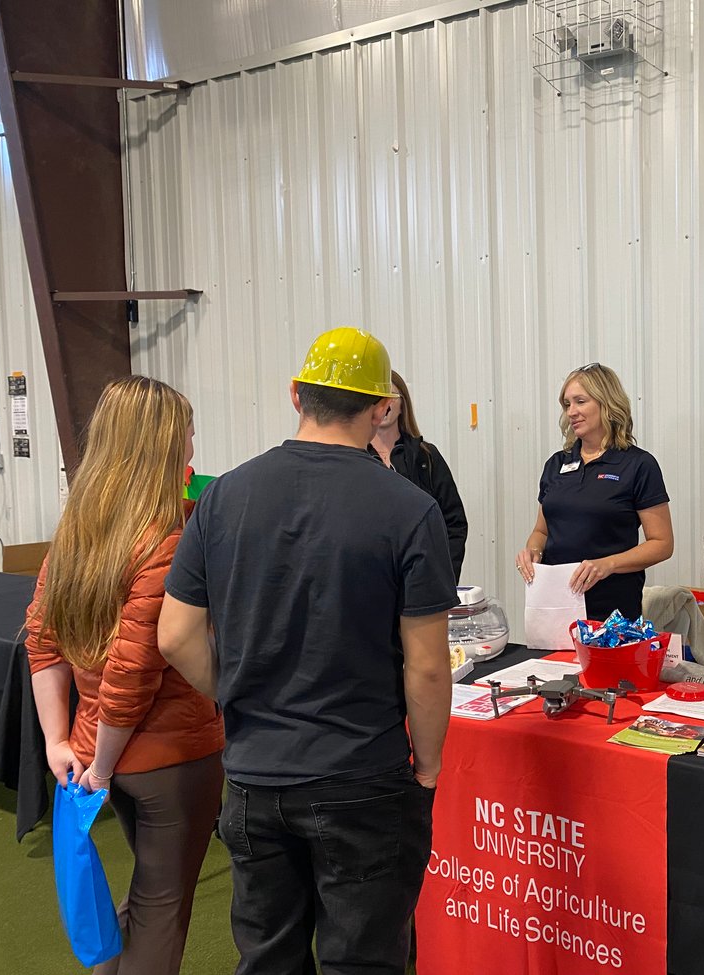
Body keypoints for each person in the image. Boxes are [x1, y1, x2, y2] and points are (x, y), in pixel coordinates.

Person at [157, 327, 456, 975]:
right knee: (364, 960)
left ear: (295, 394)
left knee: (268, 958)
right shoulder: (409, 509)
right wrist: (428, 768)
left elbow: (174, 635)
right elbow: (429, 665)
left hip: (254, 775)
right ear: (381, 407)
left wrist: (237, 694)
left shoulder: (223, 496)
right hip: (362, 775)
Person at [24, 376, 224, 975]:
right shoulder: (164, 542)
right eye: (187, 434)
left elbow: (43, 642)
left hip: (100, 751)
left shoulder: (78, 534)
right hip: (166, 760)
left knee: (146, 901)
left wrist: (61, 741)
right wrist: (102, 765)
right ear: (161, 445)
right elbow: (131, 674)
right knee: (162, 913)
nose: (193, 446)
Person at [516, 362, 674, 622]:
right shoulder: (556, 464)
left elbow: (662, 544)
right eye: (567, 404)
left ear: (607, 403)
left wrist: (607, 565)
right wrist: (533, 551)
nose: (572, 412)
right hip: (556, 606)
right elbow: (542, 531)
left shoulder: (638, 464)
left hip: (612, 611)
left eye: (580, 401)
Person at [369, 370, 468, 581]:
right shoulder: (355, 458)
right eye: (377, 396)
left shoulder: (426, 456)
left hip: (422, 580)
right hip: (371, 580)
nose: (385, 403)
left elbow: (454, 522)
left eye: (391, 395)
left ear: (403, 404)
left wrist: (445, 578)